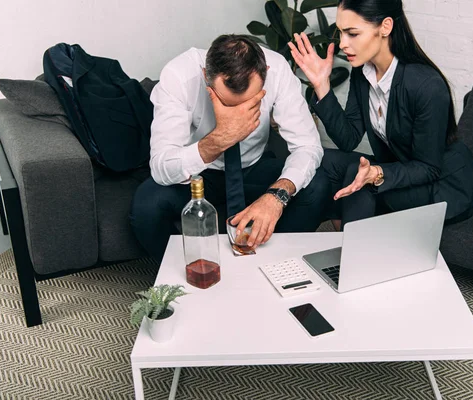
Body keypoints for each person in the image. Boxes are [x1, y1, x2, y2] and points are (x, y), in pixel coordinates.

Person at [130, 35, 330, 263]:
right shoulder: (179, 75)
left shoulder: (278, 71)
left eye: (251, 102)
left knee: (317, 185)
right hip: (199, 176)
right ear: (207, 76)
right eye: (228, 104)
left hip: (253, 168)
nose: (238, 113)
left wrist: (276, 196)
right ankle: (187, 276)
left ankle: (272, 264)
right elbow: (160, 166)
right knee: (146, 206)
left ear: (266, 72)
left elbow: (308, 145)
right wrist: (219, 139)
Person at [288, 0, 473, 230]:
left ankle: (350, 255)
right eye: (340, 33)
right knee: (322, 159)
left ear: (385, 27)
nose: (342, 44)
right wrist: (322, 86)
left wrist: (377, 173)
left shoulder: (426, 85)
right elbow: (348, 138)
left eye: (352, 34)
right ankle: (294, 249)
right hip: (401, 167)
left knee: (356, 175)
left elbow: (428, 168)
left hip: (443, 182)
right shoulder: (363, 72)